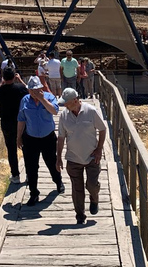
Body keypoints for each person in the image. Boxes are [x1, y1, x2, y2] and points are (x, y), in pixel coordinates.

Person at [55, 88, 107, 224]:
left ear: (75, 100)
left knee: (92, 185)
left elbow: (102, 129)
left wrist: (99, 149)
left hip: (91, 156)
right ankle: (80, 216)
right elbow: (60, 138)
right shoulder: (64, 116)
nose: (64, 105)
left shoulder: (90, 111)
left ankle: (94, 198)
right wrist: (58, 157)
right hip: (73, 158)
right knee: (77, 189)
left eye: (66, 102)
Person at [17, 75, 65, 206]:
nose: (33, 93)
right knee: (31, 167)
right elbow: (21, 119)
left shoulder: (49, 97)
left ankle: (58, 181)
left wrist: (42, 99)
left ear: (41, 88)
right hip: (30, 138)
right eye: (31, 90)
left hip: (47, 137)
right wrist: (18, 137)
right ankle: (34, 193)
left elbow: (54, 111)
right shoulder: (25, 101)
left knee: (51, 162)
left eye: (35, 90)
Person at [0, 67, 27, 184]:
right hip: (21, 122)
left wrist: (2, 84)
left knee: (11, 149)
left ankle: (15, 175)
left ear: (3, 77)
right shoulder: (20, 88)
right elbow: (29, 90)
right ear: (14, 76)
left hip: (7, 123)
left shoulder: (0, 90)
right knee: (27, 148)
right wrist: (20, 80)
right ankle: (29, 174)